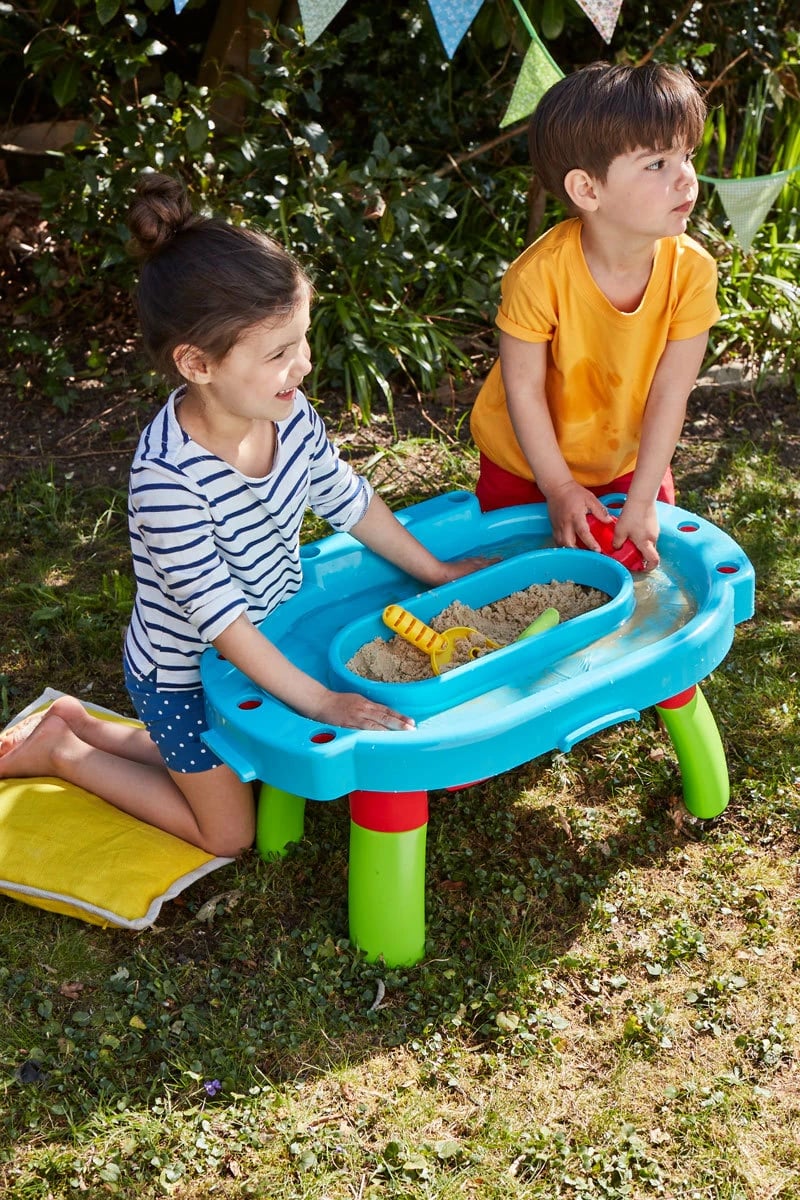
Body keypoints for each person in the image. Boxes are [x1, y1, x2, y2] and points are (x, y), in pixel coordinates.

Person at [0, 172, 490, 856]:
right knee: (230, 833)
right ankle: (64, 754)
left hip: (267, 637)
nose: (305, 366)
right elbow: (221, 625)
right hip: (185, 674)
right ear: (198, 363)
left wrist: (435, 570)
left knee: (245, 760)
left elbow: (348, 499)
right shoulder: (167, 479)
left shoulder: (286, 413)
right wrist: (320, 703)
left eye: (304, 340)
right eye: (281, 353)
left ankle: (76, 723)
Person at [470, 61, 720, 570]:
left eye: (686, 155)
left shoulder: (693, 272)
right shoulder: (538, 275)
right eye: (657, 164)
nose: (686, 178)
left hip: (630, 464)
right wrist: (558, 486)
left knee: (642, 572)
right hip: (523, 464)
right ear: (588, 190)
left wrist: (645, 495)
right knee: (521, 573)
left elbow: (672, 391)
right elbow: (524, 390)